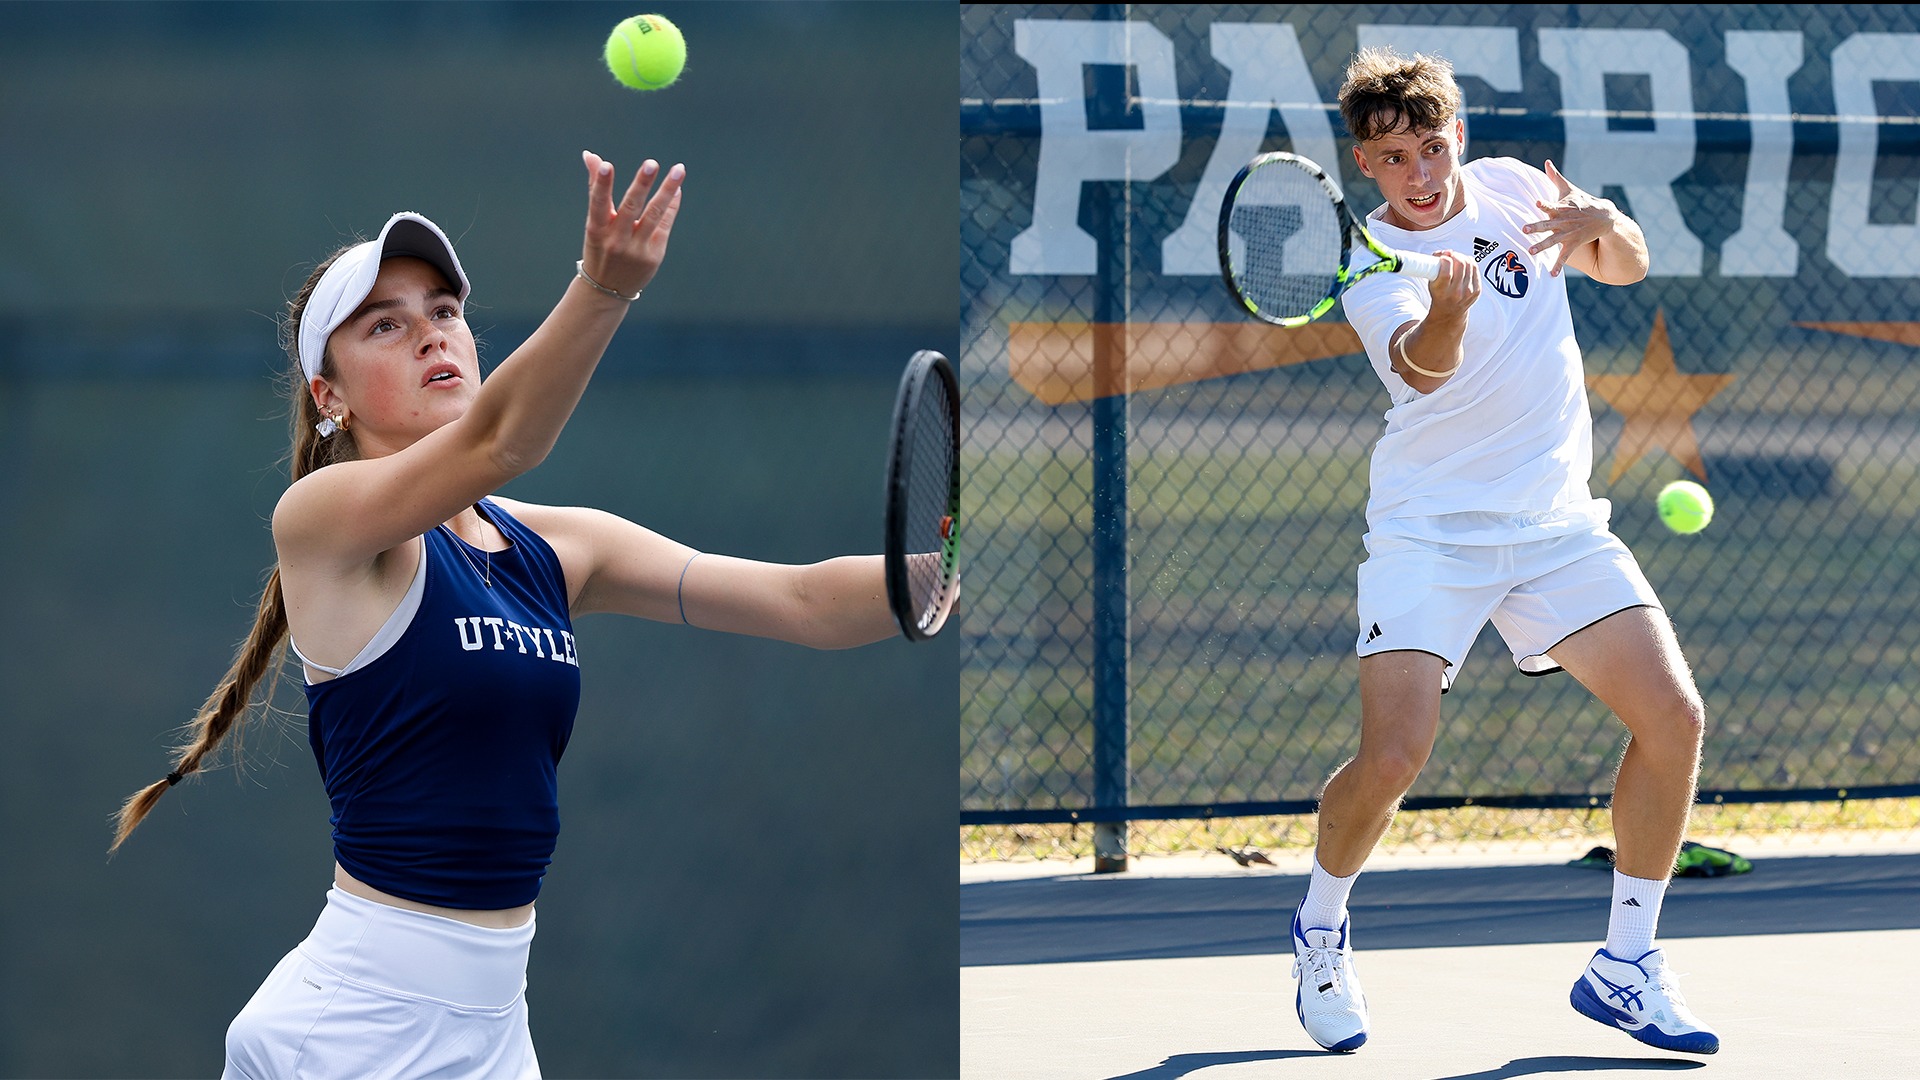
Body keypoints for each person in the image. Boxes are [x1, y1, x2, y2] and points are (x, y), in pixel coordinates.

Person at [110, 150, 901, 1078]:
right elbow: (503, 441)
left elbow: (804, 602)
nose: (432, 336)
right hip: (355, 1031)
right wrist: (601, 289)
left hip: (494, 1030)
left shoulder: (558, 549)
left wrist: (943, 567)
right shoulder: (322, 524)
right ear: (328, 396)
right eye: (385, 325)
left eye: (445, 313)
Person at [1285, 49, 1719, 1056]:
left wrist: (1604, 221)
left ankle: (1625, 964)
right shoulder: (1369, 262)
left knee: (1674, 715)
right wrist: (1446, 312)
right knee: (1393, 759)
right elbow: (1422, 376)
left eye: (1433, 148)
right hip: (1429, 534)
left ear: (1460, 139)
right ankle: (1318, 925)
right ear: (1365, 165)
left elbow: (1626, 262)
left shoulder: (1519, 185)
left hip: (1557, 526)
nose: (1422, 174)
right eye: (1396, 159)